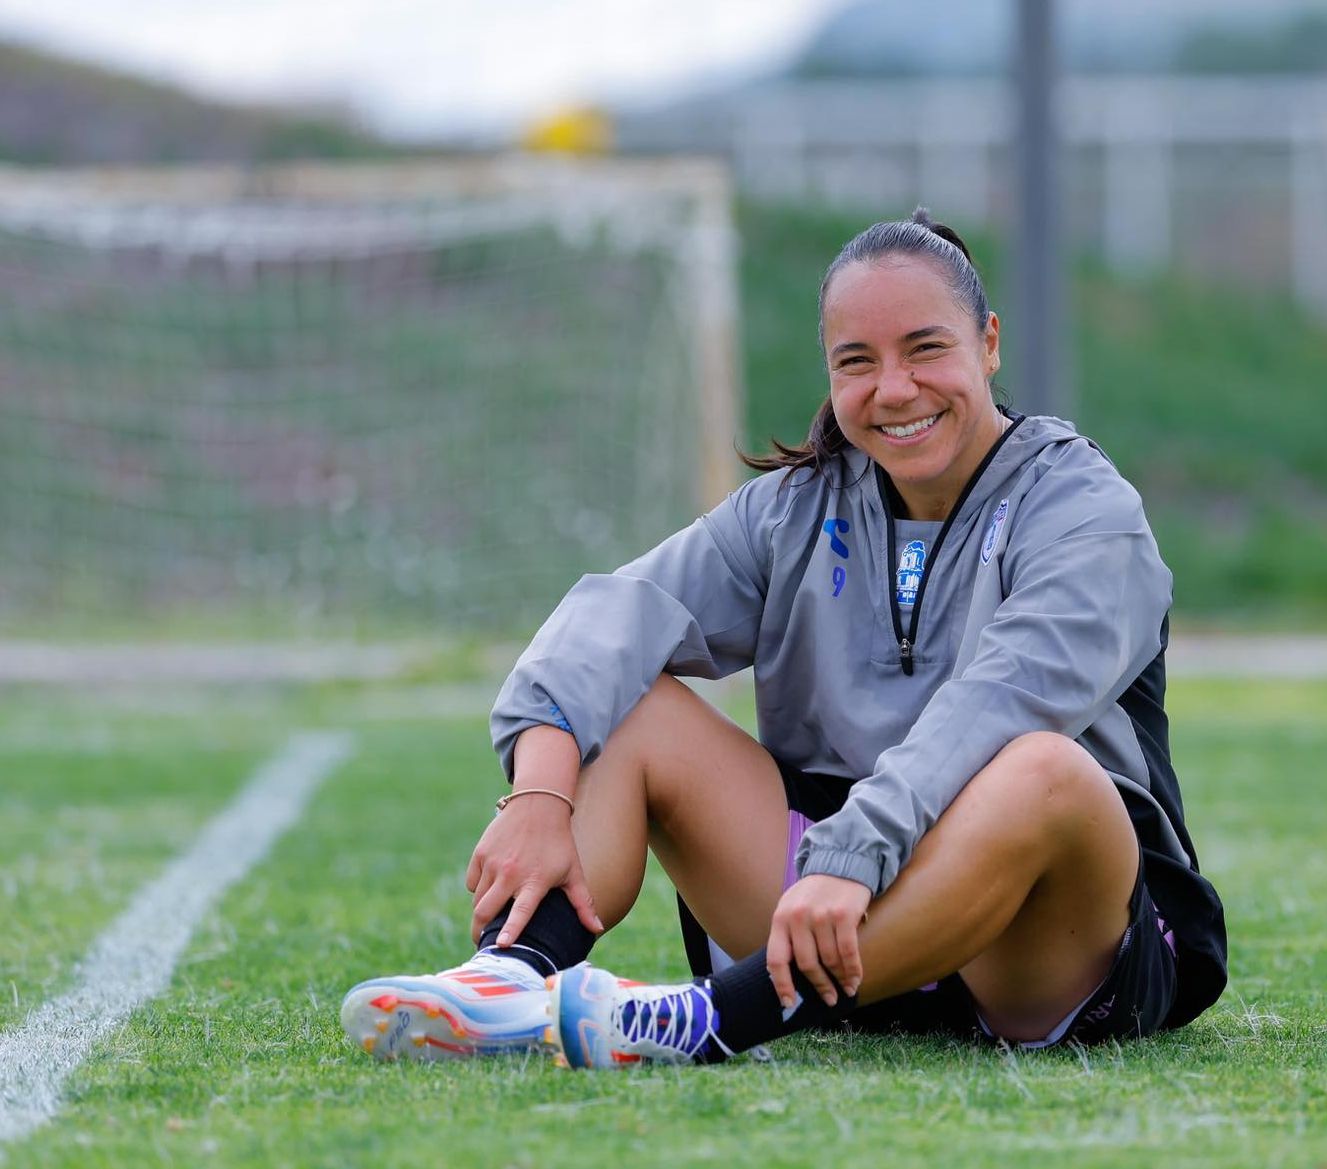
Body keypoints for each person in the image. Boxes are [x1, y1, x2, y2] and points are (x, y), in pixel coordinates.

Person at [340, 209, 1227, 1068]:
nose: (894, 389)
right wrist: (537, 796)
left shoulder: (1085, 510)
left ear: (988, 343)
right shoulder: (796, 509)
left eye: (926, 348)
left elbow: (998, 703)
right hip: (824, 919)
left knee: (1046, 768)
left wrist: (850, 854)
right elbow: (615, 614)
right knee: (630, 701)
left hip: (1028, 950)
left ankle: (716, 1020)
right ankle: (508, 976)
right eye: (858, 361)